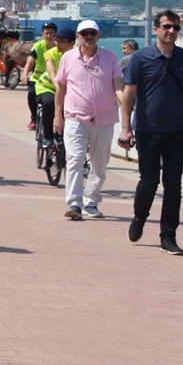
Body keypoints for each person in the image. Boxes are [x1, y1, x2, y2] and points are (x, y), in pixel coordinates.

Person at [118, 9, 183, 255]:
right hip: (148, 130)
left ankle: (168, 236)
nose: (171, 32)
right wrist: (126, 128)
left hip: (178, 131)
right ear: (155, 29)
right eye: (167, 27)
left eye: (176, 28)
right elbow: (129, 93)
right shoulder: (140, 58)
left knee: (173, 185)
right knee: (149, 181)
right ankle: (139, 218)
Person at [54, 19, 121, 221]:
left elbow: (118, 84)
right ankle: (74, 202)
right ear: (78, 37)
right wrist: (58, 116)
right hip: (75, 116)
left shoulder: (110, 58)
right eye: (85, 34)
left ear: (98, 36)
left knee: (100, 164)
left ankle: (91, 201)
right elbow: (60, 88)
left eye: (93, 33)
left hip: (105, 118)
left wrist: (126, 102)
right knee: (74, 159)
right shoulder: (68, 58)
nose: (89, 37)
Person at [31, 26, 68, 152]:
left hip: (65, 89)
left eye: (62, 42)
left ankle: (61, 137)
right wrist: (58, 87)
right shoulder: (50, 53)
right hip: (48, 86)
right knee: (49, 103)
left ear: (72, 43)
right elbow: (51, 72)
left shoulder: (75, 54)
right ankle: (47, 136)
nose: (57, 44)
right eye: (57, 41)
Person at [25, 21, 58, 130]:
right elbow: (29, 62)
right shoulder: (37, 46)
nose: (49, 36)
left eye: (51, 33)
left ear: (55, 35)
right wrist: (25, 74)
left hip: (51, 81)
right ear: (42, 34)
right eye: (46, 33)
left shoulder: (59, 47)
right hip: (37, 79)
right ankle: (34, 117)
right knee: (31, 94)